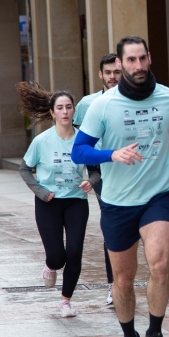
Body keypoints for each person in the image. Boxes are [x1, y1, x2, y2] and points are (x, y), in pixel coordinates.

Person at [72, 35, 169, 337]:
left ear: (149, 59)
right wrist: (111, 154)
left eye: (141, 59)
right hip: (117, 202)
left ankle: (155, 332)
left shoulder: (168, 98)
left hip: (157, 195)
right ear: (119, 65)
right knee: (124, 278)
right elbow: (79, 151)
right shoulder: (103, 106)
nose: (137, 66)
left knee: (160, 265)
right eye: (129, 61)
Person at [17, 84, 99, 318]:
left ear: (74, 111)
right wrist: (41, 192)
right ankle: (50, 265)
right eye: (60, 108)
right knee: (57, 256)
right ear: (52, 113)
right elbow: (24, 169)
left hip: (76, 201)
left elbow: (95, 170)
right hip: (48, 203)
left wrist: (90, 182)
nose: (65, 112)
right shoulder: (42, 141)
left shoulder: (84, 140)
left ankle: (66, 301)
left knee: (74, 251)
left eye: (69, 107)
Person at [73, 53, 122, 305]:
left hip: (129, 169)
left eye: (117, 72)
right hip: (101, 171)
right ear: (100, 74)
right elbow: (78, 141)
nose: (113, 77)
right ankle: (114, 285)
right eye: (108, 72)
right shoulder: (87, 104)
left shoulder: (135, 102)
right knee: (112, 224)